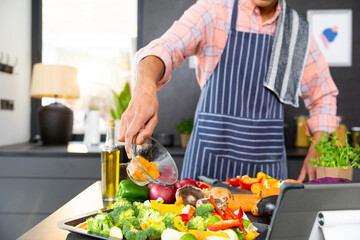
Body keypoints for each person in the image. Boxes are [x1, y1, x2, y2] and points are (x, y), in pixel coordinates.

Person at [118, 0, 338, 183]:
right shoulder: (214, 11)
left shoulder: (297, 31)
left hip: (267, 172)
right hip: (207, 167)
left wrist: (318, 149)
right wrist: (146, 87)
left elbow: (324, 95)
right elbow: (165, 47)